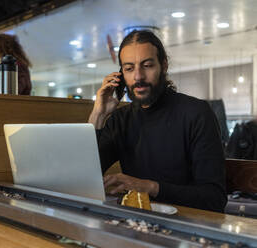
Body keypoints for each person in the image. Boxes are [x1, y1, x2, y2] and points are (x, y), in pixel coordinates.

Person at [88, 30, 227, 212]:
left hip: (190, 226)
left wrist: (150, 187)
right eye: (129, 68)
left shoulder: (197, 113)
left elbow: (214, 198)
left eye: (147, 65)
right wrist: (97, 115)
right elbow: (84, 177)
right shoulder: (120, 120)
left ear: (164, 65)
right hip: (137, 224)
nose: (138, 76)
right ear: (121, 75)